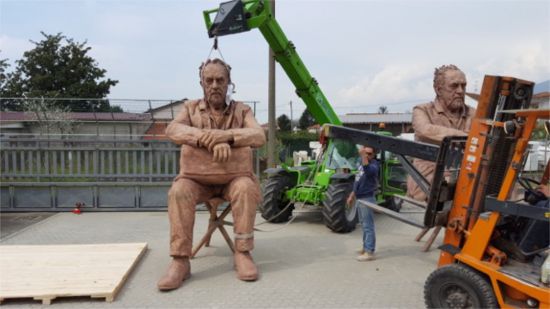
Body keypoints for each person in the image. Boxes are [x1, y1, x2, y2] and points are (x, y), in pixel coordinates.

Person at [157, 58, 266, 291]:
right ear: (201, 83)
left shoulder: (242, 109)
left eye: (220, 80)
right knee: (178, 191)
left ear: (229, 83)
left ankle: (243, 252)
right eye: (209, 80)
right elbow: (173, 130)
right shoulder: (190, 108)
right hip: (198, 181)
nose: (215, 85)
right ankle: (180, 261)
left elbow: (258, 136)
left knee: (246, 187)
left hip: (233, 179)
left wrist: (225, 137)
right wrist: (204, 137)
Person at [407, 64, 476, 201]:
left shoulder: (473, 114)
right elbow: (425, 130)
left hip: (465, 181)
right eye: (454, 86)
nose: (460, 91)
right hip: (427, 185)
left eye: (463, 86)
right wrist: (467, 136)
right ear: (438, 90)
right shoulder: (422, 110)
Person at [347, 146, 380, 261]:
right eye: (365, 153)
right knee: (363, 225)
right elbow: (358, 181)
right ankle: (365, 247)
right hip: (360, 198)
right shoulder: (361, 165)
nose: (366, 155)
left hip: (367, 199)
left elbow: (369, 170)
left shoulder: (374, 165)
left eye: (369, 154)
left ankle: (369, 251)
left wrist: (363, 156)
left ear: (374, 155)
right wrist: (352, 195)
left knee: (368, 226)